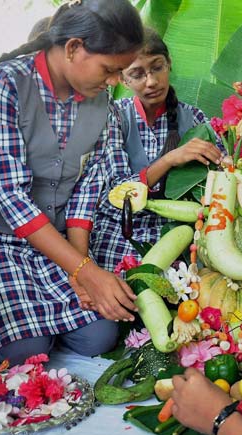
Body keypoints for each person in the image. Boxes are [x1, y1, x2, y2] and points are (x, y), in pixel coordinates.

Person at [0, 0, 144, 365]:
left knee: (100, 336)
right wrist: (86, 272)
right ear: (74, 48)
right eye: (109, 69)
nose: (114, 82)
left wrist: (80, 267)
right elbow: (9, 196)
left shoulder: (103, 105)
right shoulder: (3, 84)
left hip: (55, 238)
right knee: (26, 350)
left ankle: (30, 311)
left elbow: (85, 192)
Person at [83, 27, 221, 271]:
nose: (152, 81)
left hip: (179, 230)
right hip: (121, 229)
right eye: (137, 74)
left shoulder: (194, 118)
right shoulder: (112, 116)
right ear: (123, 79)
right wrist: (170, 159)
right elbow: (118, 191)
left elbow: (223, 174)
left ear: (169, 64)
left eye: (157, 67)